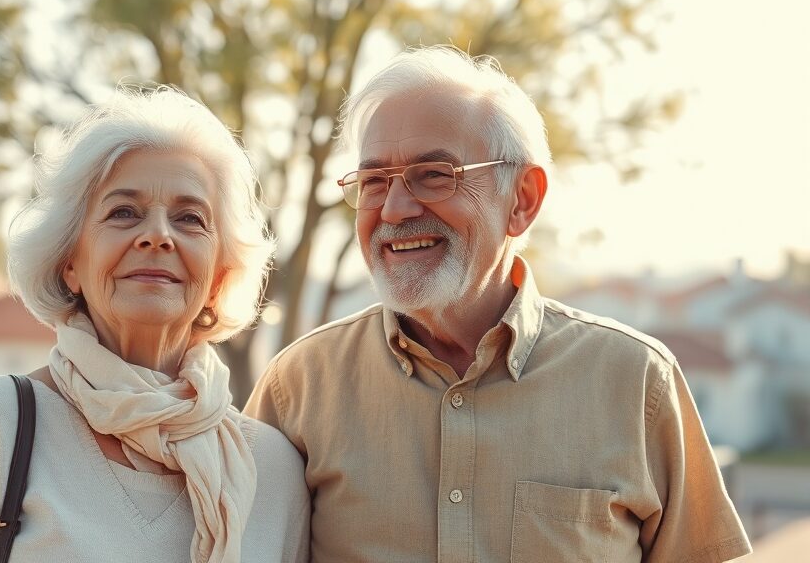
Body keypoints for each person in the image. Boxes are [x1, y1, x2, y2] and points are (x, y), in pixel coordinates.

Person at [244, 46, 751, 563]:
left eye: (434, 174)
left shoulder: (636, 382)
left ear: (523, 199)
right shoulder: (297, 389)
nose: (394, 209)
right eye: (374, 182)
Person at [0, 86, 310, 562]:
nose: (157, 235)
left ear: (219, 275)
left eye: (189, 218)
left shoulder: (273, 471)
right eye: (123, 212)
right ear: (70, 260)